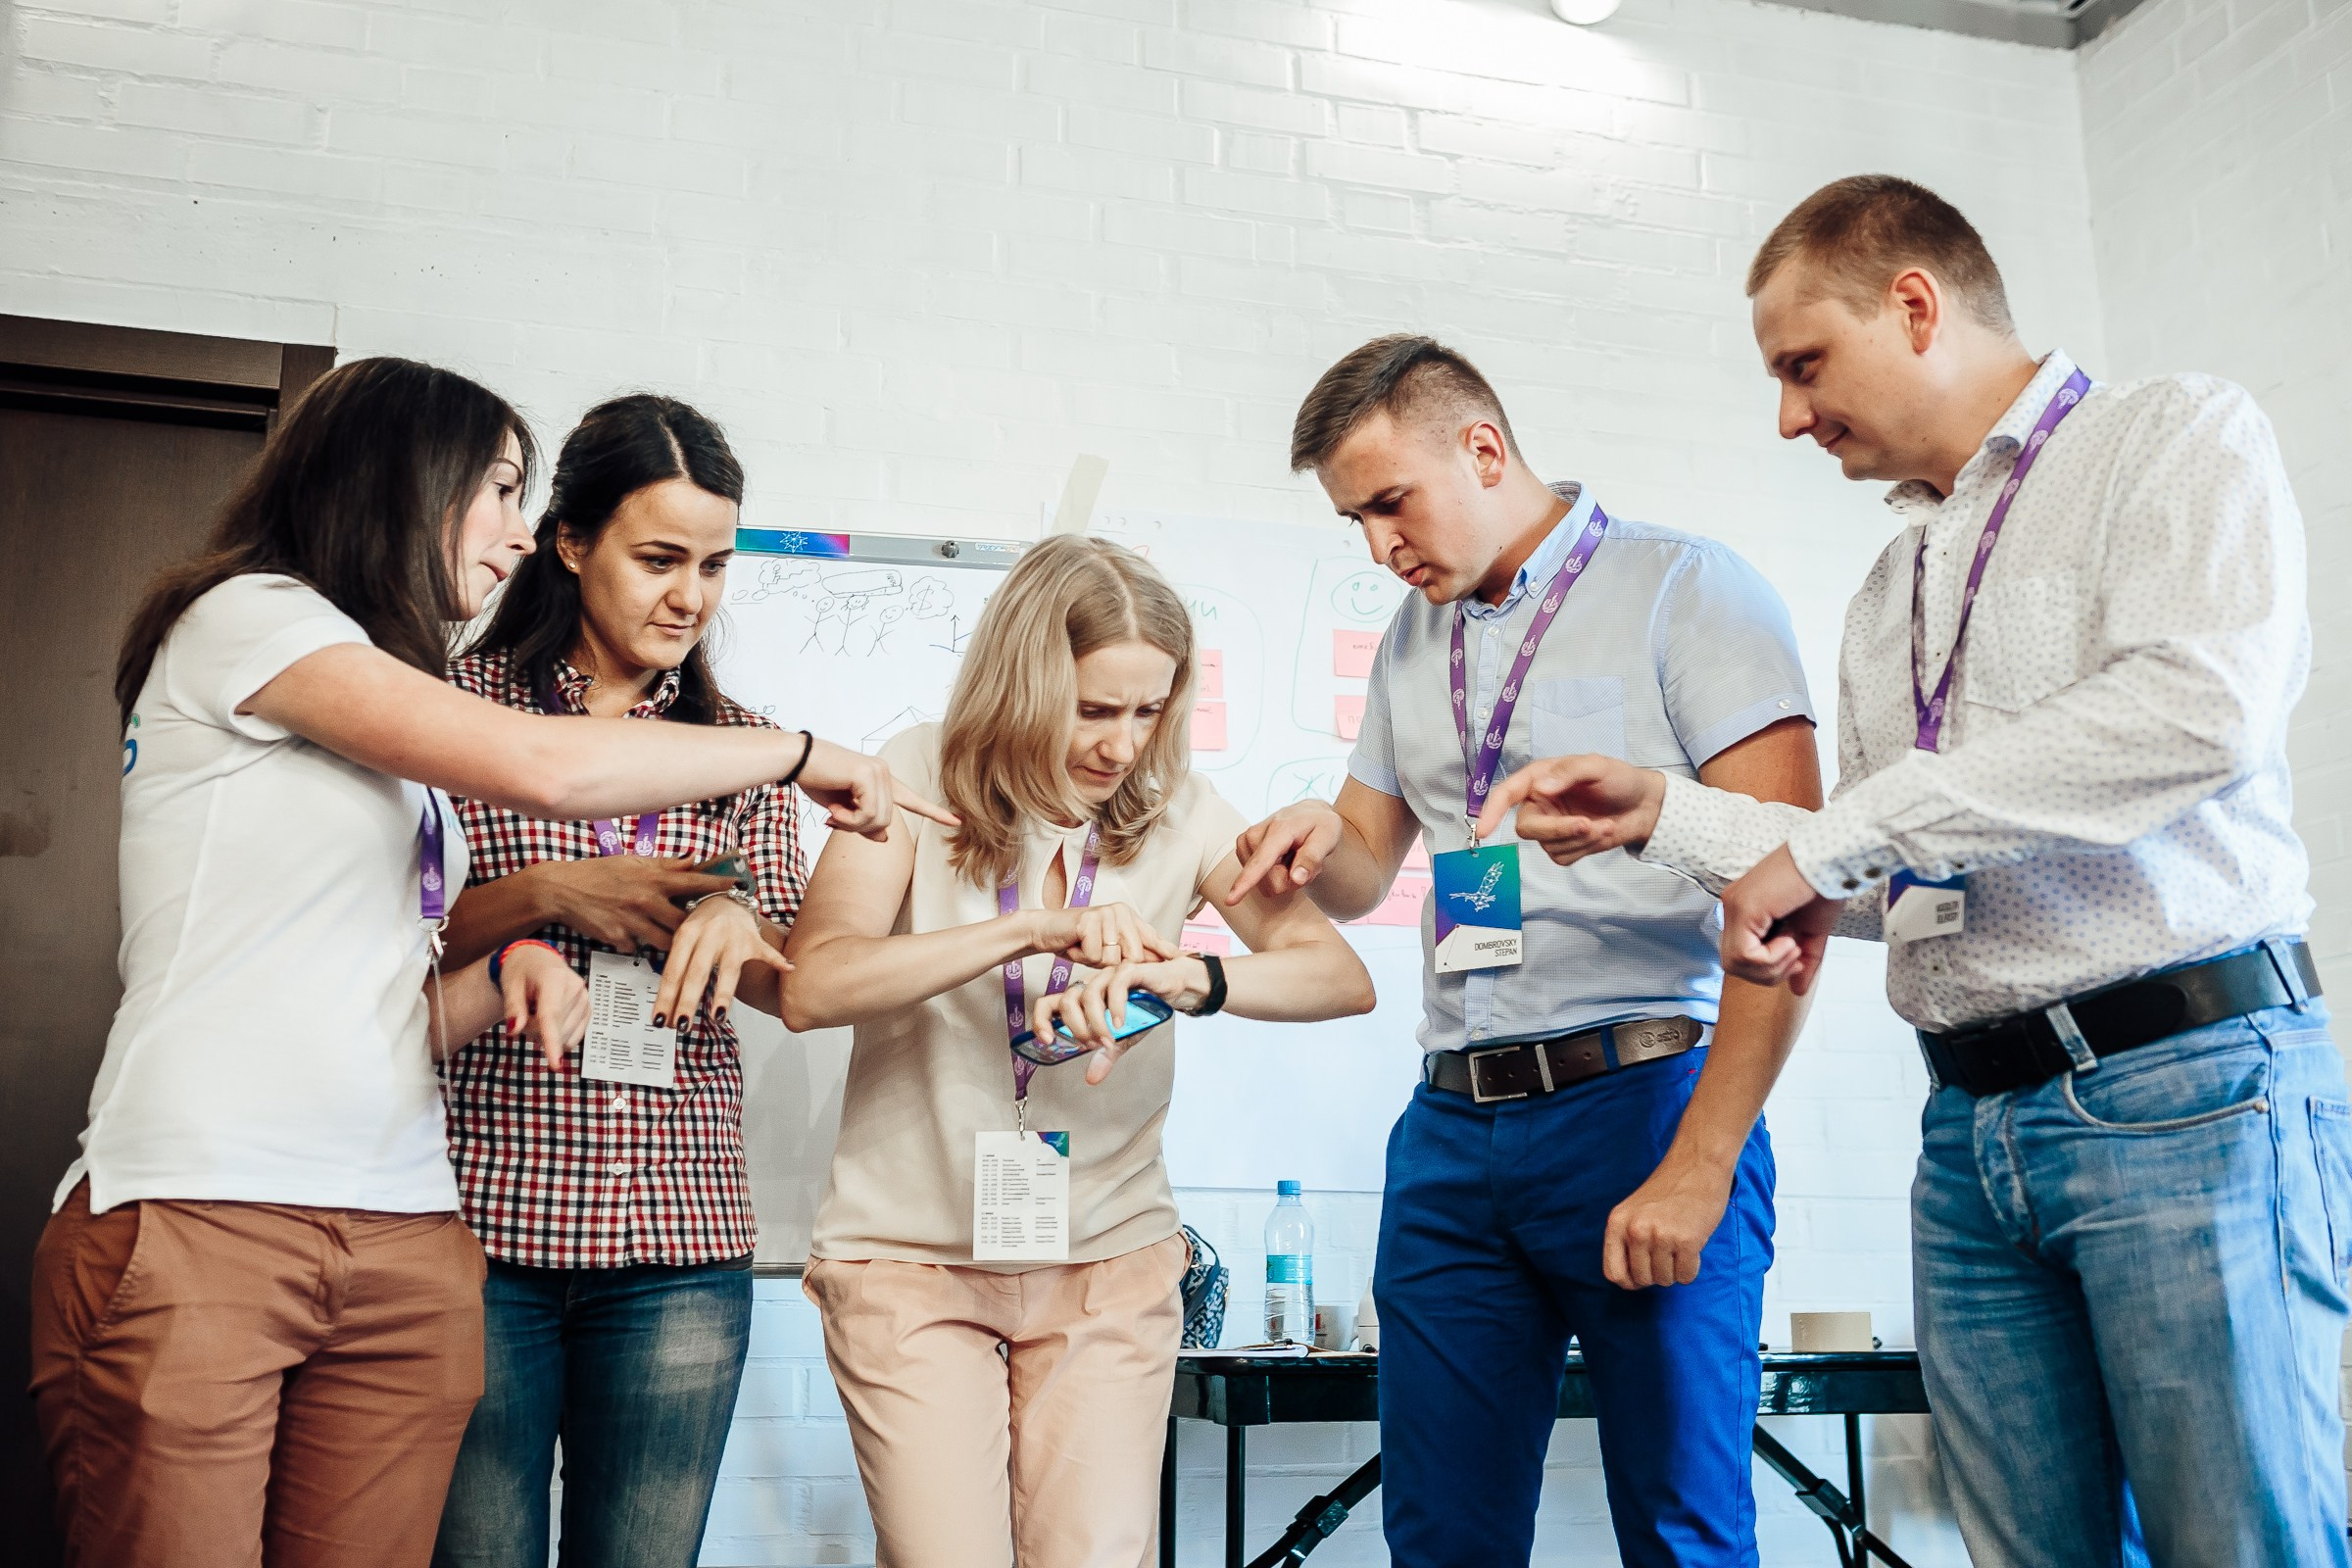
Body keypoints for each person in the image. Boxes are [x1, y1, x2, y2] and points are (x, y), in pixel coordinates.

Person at [1485, 175, 2347, 1566]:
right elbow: (1904, 880)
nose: (1787, 415)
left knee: (2238, 1545)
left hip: (2185, 1096)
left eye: (1802, 365)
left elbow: (2199, 713)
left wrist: (1832, 839)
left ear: (1915, 304)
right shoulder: (1892, 587)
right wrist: (1665, 814)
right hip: (1970, 1138)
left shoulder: (2170, 434)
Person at [28, 357, 948, 1568]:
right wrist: (795, 755)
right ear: (406, 481)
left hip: (410, 1220)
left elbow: (374, 976)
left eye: (714, 567)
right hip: (245, 1199)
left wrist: (499, 974)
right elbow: (548, 768)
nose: (514, 536)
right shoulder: (264, 622)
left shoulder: (411, 744)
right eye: (502, 492)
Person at [1224, 335, 1822, 1568]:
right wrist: (1309, 832)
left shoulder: (1686, 589)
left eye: (1392, 503)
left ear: (1484, 449)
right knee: (1442, 1533)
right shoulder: (1411, 635)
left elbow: (1793, 884)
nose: (1381, 546)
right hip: (1451, 1125)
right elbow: (1363, 865)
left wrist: (1703, 1162)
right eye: (1356, 520)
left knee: (1682, 1528)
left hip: (1643, 1098)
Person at [780, 534, 1375, 1568]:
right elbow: (813, 984)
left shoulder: (1179, 810)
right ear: (1024, 684)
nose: (1122, 746)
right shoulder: (916, 777)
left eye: (1150, 712)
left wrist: (1187, 975)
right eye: (1095, 710)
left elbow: (1338, 977)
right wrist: (1024, 932)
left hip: (1106, 1255)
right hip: (910, 1258)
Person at [428, 396, 804, 1568]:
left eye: (715, 563)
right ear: (571, 540)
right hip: (479, 1226)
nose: (691, 595)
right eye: (659, 559)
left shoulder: (740, 743)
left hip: (679, 1244)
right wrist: (549, 890)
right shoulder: (453, 708)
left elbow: (793, 976)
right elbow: (390, 931)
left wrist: (744, 912)